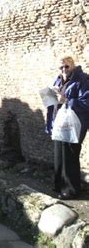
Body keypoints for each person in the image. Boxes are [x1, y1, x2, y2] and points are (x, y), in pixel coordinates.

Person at [46, 56, 89, 199]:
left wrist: (67, 101)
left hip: (75, 123)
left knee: (70, 154)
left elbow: (86, 102)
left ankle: (71, 190)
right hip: (60, 122)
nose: (64, 70)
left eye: (67, 66)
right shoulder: (58, 80)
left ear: (73, 66)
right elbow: (53, 104)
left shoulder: (82, 79)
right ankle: (59, 185)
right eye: (61, 67)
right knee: (59, 153)